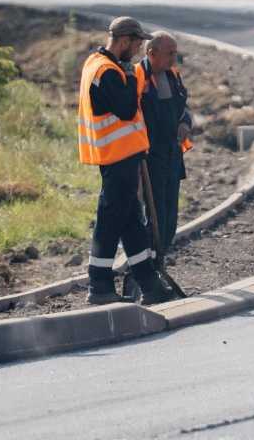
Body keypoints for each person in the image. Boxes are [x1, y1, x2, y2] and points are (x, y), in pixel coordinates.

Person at [77, 16, 173, 305]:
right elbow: (127, 109)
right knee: (110, 220)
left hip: (123, 156)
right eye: (136, 43)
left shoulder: (98, 64)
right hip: (117, 157)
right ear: (124, 41)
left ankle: (148, 283)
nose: (138, 50)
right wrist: (131, 76)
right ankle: (99, 285)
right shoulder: (108, 71)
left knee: (132, 221)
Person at [134, 31, 193, 261]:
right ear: (151, 53)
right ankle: (145, 269)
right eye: (170, 53)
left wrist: (185, 123)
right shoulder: (137, 77)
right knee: (154, 217)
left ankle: (159, 260)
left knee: (169, 218)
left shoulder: (173, 76)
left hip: (173, 156)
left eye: (175, 53)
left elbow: (184, 109)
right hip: (150, 159)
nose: (174, 58)